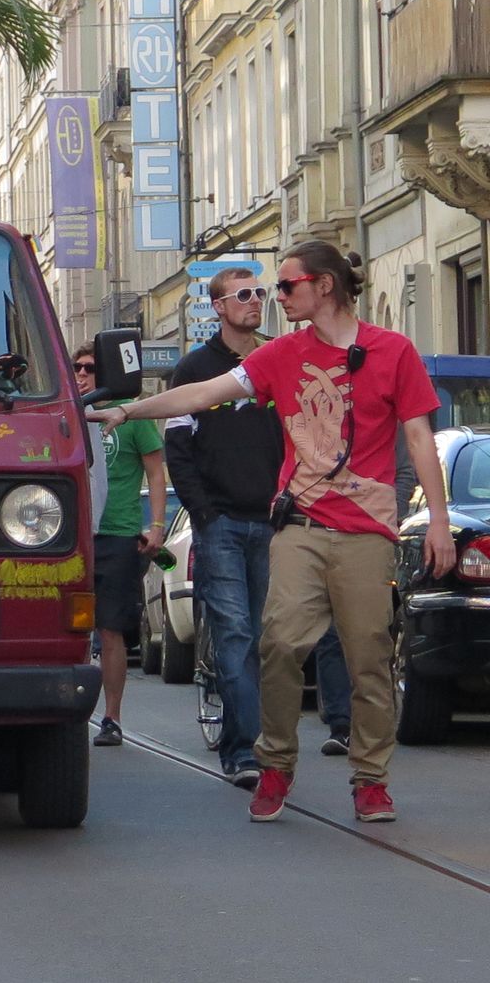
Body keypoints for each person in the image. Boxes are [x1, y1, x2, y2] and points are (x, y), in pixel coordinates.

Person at [93, 240, 455, 824]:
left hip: (366, 531)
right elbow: (205, 393)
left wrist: (438, 520)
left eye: (285, 286)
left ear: (324, 286)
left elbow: (417, 438)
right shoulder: (282, 355)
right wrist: (127, 409)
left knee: (367, 656)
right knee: (280, 645)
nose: (274, 297)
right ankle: (277, 764)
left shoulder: (393, 351)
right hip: (299, 527)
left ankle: (371, 779)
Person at [163, 269, 280, 788]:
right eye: (244, 295)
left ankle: (257, 739)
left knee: (268, 640)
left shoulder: (277, 360)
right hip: (223, 525)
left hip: (276, 522)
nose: (256, 302)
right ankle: (244, 752)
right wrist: (204, 515)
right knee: (235, 637)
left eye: (261, 293)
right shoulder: (193, 370)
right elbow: (177, 451)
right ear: (218, 307)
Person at [75, 343, 165, 748]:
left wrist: (158, 524)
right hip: (71, 535)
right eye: (76, 369)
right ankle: (64, 710)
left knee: (110, 629)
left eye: (90, 369)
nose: (81, 376)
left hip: (117, 533)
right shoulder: (66, 411)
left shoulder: (132, 414)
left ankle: (111, 717)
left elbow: (155, 471)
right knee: (68, 629)